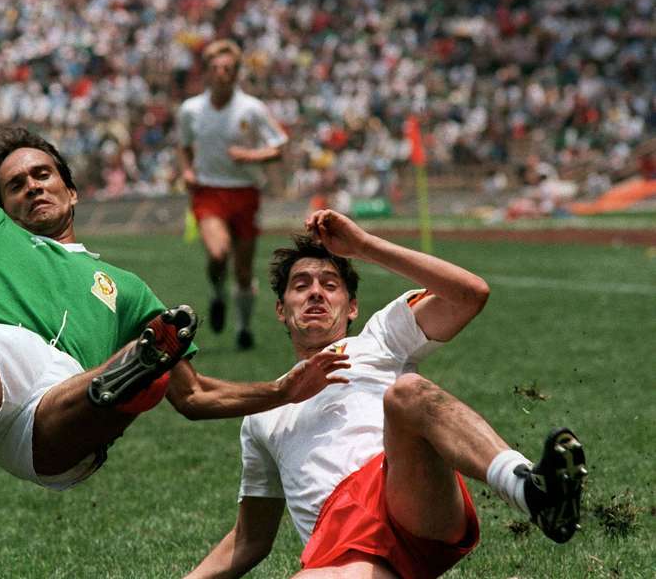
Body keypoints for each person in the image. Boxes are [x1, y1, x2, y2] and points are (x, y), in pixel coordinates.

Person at [0, 0, 349, 579]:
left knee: (123, 372)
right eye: (14, 185)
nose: (31, 187)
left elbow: (197, 396)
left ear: (72, 191)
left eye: (43, 174)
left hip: (65, 405)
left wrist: (281, 390)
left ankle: (129, 380)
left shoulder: (129, 289)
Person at [186, 210, 588, 579]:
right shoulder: (262, 411)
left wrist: (362, 246)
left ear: (352, 307)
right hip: (344, 548)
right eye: (300, 285)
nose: (315, 294)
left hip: (408, 494)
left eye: (330, 285)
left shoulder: (379, 338)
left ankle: (529, 490)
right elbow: (251, 537)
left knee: (407, 392)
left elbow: (470, 294)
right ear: (280, 309)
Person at [177, 39, 288, 350]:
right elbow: (183, 145)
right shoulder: (191, 110)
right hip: (209, 191)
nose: (221, 73)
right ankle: (216, 294)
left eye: (227, 68)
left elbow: (279, 145)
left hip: (245, 192)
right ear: (206, 74)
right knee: (217, 253)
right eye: (215, 68)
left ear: (237, 72)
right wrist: (187, 170)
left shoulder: (251, 109)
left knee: (242, 270)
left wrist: (252, 156)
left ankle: (243, 327)